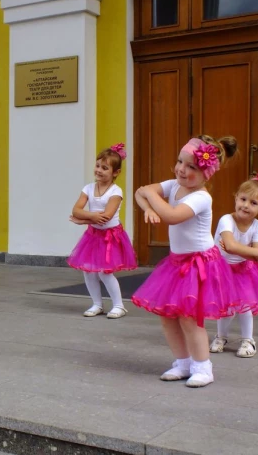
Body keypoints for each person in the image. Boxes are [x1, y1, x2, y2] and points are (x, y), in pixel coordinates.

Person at [132, 136, 239, 387]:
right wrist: (146, 206)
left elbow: (171, 215)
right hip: (177, 263)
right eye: (180, 162)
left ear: (206, 175)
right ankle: (182, 363)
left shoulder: (201, 197)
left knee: (190, 318)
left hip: (199, 263)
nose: (182, 169)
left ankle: (203, 367)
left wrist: (151, 196)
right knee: (168, 316)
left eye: (191, 167)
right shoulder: (174, 185)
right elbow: (140, 192)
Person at [210, 173, 258, 358]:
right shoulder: (226, 220)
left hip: (243, 271)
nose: (246, 205)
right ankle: (220, 336)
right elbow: (233, 247)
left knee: (245, 306)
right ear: (236, 198)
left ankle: (248, 340)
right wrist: (250, 252)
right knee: (226, 307)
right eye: (243, 199)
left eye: (253, 203)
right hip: (221, 269)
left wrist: (249, 253)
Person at [68, 143, 137, 318]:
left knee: (105, 272)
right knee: (88, 270)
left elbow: (106, 216)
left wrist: (83, 219)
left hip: (110, 236)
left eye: (104, 168)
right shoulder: (88, 188)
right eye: (98, 165)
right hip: (93, 236)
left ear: (116, 172)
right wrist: (88, 216)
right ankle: (97, 304)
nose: (99, 170)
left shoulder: (116, 191)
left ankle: (119, 305)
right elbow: (76, 209)